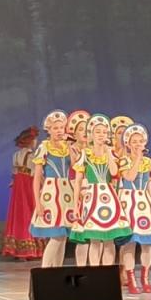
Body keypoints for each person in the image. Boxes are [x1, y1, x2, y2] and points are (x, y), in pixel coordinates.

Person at [71, 114, 131, 265]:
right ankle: (95, 272)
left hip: (109, 197)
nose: (101, 135)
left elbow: (113, 172)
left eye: (104, 132)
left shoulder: (111, 154)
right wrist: (75, 205)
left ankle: (107, 272)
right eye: (97, 131)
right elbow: (78, 181)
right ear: (91, 134)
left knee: (109, 239)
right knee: (95, 239)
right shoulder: (85, 154)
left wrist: (108, 152)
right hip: (92, 197)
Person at [117, 124, 151, 293]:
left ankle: (145, 278)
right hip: (128, 201)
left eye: (140, 141)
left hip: (144, 202)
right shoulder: (124, 160)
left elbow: (149, 187)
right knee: (129, 243)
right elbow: (129, 177)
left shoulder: (149, 162)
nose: (138, 144)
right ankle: (131, 279)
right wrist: (137, 158)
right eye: (134, 141)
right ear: (128, 144)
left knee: (148, 243)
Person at [30, 110, 75, 267]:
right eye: (55, 128)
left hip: (66, 193)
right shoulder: (44, 147)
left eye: (61, 127)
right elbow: (36, 178)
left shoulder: (67, 147)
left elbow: (75, 166)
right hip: (51, 192)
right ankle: (45, 271)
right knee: (56, 235)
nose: (59, 131)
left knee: (62, 237)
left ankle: (57, 271)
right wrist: (38, 203)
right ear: (48, 130)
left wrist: (70, 146)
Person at [1, 126, 45, 260]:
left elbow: (15, 172)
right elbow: (36, 174)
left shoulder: (16, 155)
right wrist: (44, 185)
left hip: (18, 187)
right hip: (28, 186)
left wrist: (14, 182)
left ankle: (17, 249)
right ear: (30, 141)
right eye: (35, 139)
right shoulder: (32, 156)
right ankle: (28, 249)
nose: (36, 142)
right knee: (29, 213)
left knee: (19, 214)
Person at [66, 109, 91, 266]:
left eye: (86, 129)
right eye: (80, 129)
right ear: (74, 133)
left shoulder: (94, 148)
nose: (84, 133)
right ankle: (81, 265)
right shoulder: (72, 148)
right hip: (77, 187)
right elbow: (76, 167)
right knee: (81, 230)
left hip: (93, 190)